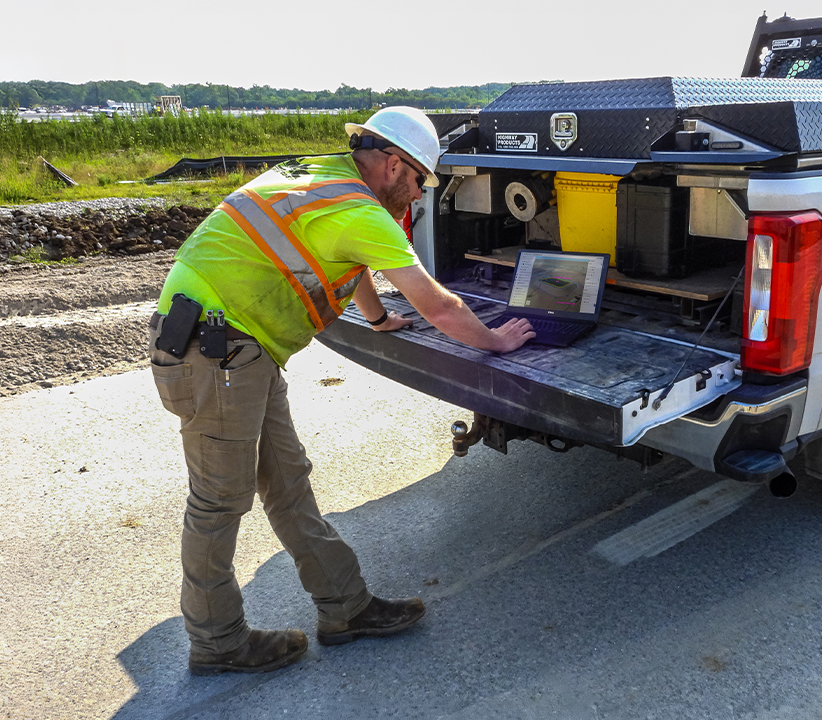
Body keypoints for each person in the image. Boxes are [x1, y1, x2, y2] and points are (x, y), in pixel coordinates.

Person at [147, 106, 535, 676]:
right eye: (421, 180)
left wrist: (377, 319)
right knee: (219, 502)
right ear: (395, 164)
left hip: (234, 349)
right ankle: (217, 642)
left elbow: (348, 262)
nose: (420, 194)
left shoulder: (318, 175)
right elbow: (437, 305)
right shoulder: (360, 211)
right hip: (215, 352)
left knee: (288, 485)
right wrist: (496, 341)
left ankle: (346, 608)